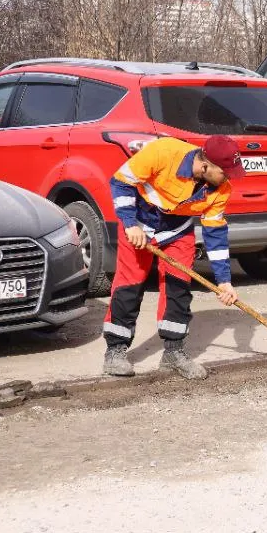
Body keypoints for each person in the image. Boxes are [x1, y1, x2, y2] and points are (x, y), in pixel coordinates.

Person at [101, 135, 246, 379]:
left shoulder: (221, 189)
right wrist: (129, 224)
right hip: (138, 224)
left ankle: (173, 352)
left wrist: (224, 281)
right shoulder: (163, 152)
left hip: (177, 231)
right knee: (129, 285)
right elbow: (120, 181)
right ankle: (115, 351)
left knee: (178, 287)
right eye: (226, 172)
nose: (229, 178)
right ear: (205, 166)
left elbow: (215, 234)